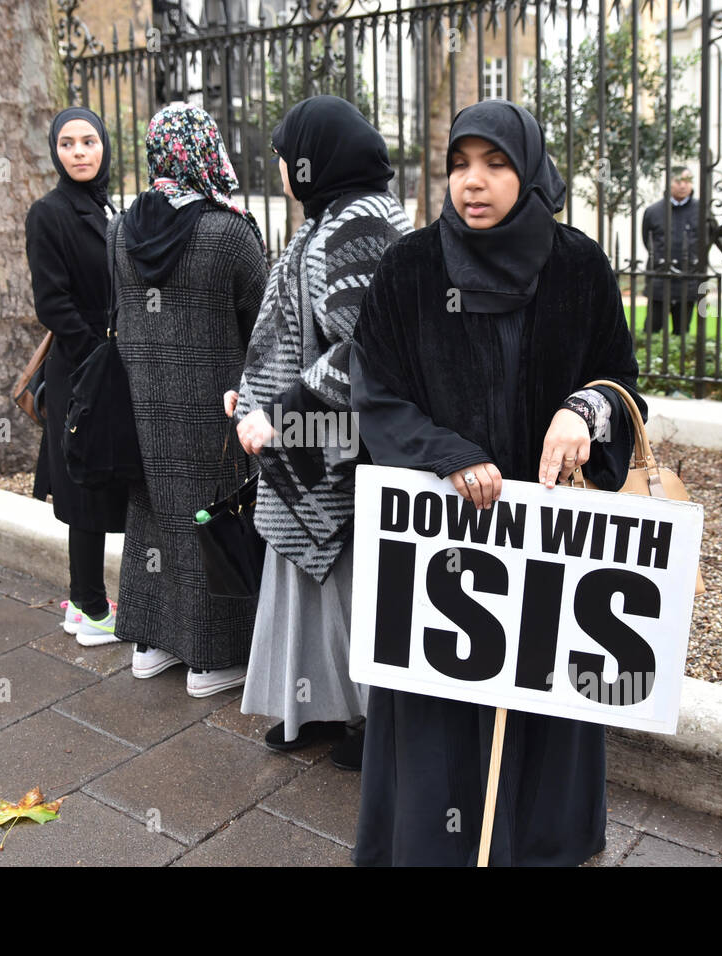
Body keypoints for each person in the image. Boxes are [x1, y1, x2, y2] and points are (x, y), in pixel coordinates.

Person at [349, 100, 646, 865]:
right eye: (458, 164)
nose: (472, 183)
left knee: (538, 691)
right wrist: (446, 452)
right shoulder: (409, 268)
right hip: (445, 543)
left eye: (495, 164)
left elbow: (624, 385)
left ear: (530, 170)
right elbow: (373, 395)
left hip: (542, 544)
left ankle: (541, 841)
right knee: (442, 703)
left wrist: (586, 409)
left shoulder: (578, 266)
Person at [229, 95, 411, 767]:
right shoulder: (339, 216)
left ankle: (368, 724)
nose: (277, 166)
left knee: (347, 583)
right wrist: (253, 396)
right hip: (318, 448)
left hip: (336, 452)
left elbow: (368, 350)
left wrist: (281, 413)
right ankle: (321, 710)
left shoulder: (352, 226)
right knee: (315, 582)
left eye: (282, 155)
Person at [109, 104, 267, 697]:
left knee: (154, 517)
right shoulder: (229, 232)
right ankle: (210, 660)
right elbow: (264, 324)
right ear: (207, 148)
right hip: (215, 406)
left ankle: (150, 647)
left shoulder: (120, 228)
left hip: (142, 404)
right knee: (211, 517)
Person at [25, 107, 129, 647]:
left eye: (89, 141)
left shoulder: (108, 203)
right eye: (67, 144)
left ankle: (84, 599)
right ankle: (89, 608)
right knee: (85, 483)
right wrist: (97, 356)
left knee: (101, 476)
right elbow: (52, 303)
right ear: (56, 152)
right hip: (83, 368)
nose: (80, 152)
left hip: (108, 362)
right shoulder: (49, 212)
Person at [642, 165, 700, 336]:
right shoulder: (653, 212)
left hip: (688, 278)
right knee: (651, 330)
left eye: (687, 181)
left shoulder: (701, 211)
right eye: (678, 181)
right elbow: (647, 240)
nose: (683, 185)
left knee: (682, 333)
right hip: (660, 278)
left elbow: (706, 241)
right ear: (669, 183)